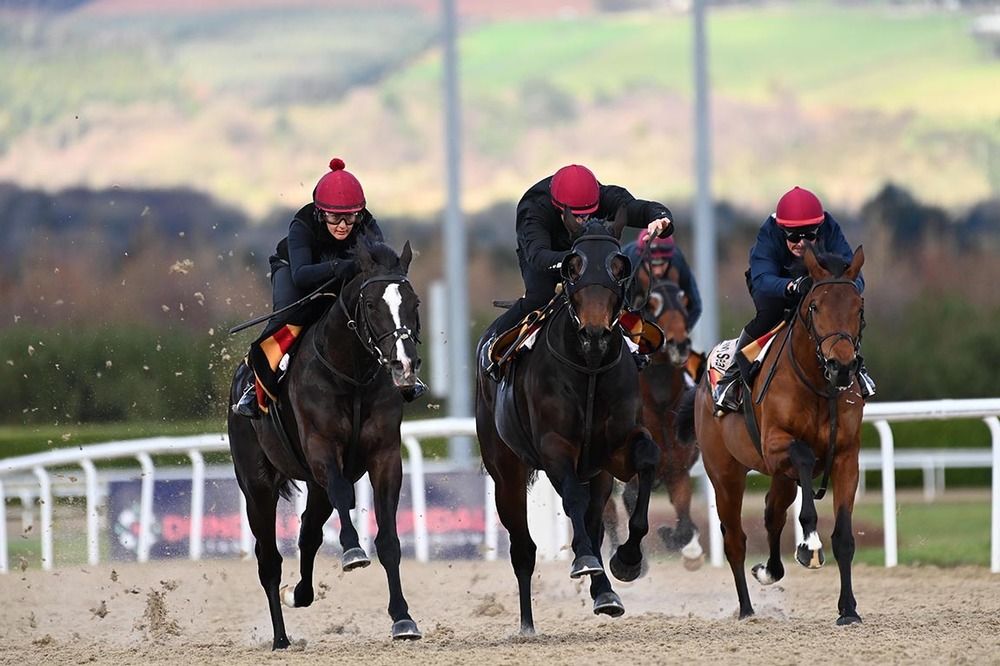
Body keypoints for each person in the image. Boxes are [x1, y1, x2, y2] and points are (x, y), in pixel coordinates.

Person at [232, 157, 423, 418]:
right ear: (321, 213)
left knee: (372, 313)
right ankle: (256, 386)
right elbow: (301, 275)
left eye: (349, 218)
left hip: (342, 273)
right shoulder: (302, 225)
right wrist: (337, 268)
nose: (343, 225)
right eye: (335, 218)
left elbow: (378, 268)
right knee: (289, 317)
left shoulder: (367, 224)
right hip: (295, 270)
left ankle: (400, 368)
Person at [712, 186, 876, 414]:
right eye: (794, 236)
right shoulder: (769, 233)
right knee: (770, 315)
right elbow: (762, 278)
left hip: (818, 284)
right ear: (782, 230)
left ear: (820, 227)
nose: (802, 242)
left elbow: (854, 274)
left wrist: (845, 291)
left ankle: (857, 369)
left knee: (839, 315)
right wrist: (792, 286)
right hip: (774, 283)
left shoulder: (829, 227)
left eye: (810, 235)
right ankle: (732, 377)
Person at [489, 164, 674, 353]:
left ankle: (631, 349)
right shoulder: (534, 209)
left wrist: (660, 219)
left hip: (588, 254)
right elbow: (537, 256)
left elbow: (640, 209)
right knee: (539, 296)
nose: (582, 220)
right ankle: (492, 339)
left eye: (587, 215)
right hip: (543, 255)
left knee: (613, 290)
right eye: (576, 217)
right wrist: (579, 261)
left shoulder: (604, 196)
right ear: (557, 208)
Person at [623, 230, 702, 331]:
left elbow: (695, 307)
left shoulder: (678, 262)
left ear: (670, 259)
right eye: (653, 265)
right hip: (630, 298)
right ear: (642, 260)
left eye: (662, 264)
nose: (658, 271)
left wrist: (682, 332)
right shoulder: (628, 263)